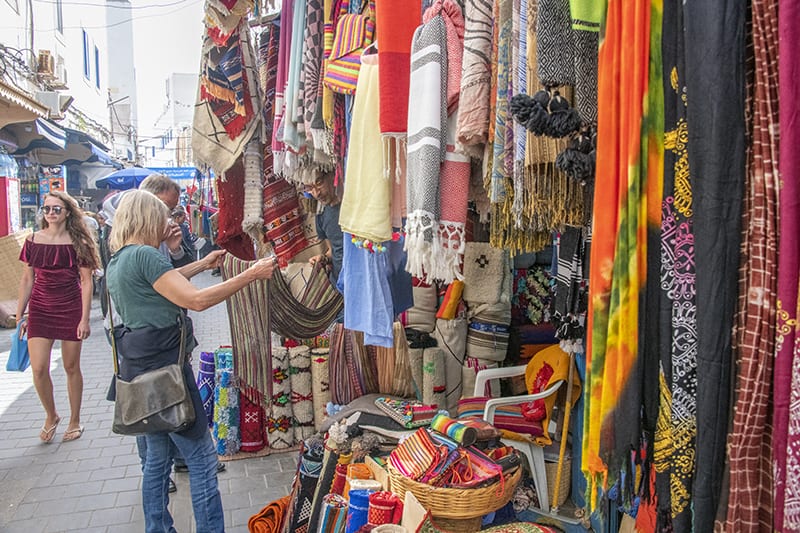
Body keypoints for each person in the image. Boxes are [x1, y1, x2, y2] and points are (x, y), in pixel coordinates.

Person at [106, 189, 277, 533]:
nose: (169, 223)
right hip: (169, 375)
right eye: (163, 216)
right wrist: (250, 274)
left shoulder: (119, 260)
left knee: (156, 462)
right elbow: (196, 301)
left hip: (141, 375)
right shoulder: (146, 255)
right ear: (147, 218)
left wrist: (202, 263)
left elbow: (162, 286)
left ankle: (158, 528)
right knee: (201, 460)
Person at [16, 191, 100, 443]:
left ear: (67, 213)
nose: (51, 214)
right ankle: (51, 415)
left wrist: (84, 318)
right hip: (40, 308)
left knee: (71, 366)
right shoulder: (33, 240)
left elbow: (86, 282)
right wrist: (21, 315)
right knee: (39, 368)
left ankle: (75, 419)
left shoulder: (79, 244)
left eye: (56, 209)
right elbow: (27, 278)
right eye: (47, 209)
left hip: (70, 308)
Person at [308, 172, 344, 288]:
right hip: (340, 284)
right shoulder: (321, 214)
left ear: (332, 176)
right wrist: (323, 258)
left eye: (319, 183)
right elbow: (332, 250)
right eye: (310, 188)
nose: (316, 193)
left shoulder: (351, 204)